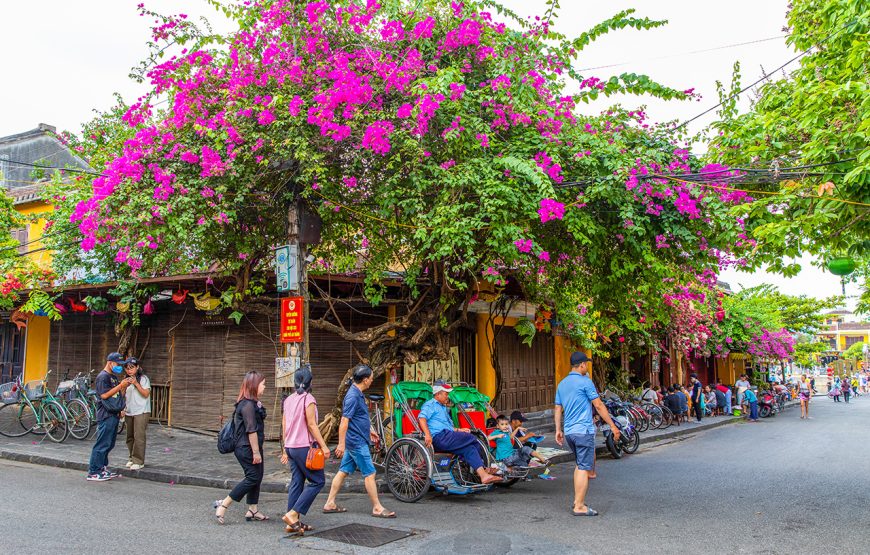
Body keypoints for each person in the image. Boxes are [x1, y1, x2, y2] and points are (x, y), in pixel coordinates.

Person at [322, 364, 396, 517]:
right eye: (370, 378)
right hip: (356, 442)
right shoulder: (353, 396)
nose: (372, 380)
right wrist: (341, 444)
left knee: (343, 471)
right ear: (364, 380)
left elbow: (359, 418)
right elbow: (344, 421)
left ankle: (330, 503)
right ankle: (377, 507)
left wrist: (370, 431)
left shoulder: (358, 393)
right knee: (370, 473)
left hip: (357, 439)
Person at [555, 351, 620, 517]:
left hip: (569, 432)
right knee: (583, 467)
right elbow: (598, 405)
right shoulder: (586, 382)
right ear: (582, 364)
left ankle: (578, 500)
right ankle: (579, 506)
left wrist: (558, 430)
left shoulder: (562, 384)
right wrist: (612, 426)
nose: (587, 366)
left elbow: (557, 408)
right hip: (583, 431)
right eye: (586, 364)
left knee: (580, 465)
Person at [417, 382, 502, 486]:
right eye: (446, 394)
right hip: (439, 437)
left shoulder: (443, 407)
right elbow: (422, 418)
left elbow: (448, 426)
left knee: (469, 448)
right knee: (472, 438)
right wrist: (428, 435)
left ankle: (483, 475)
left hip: (448, 435)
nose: (447, 397)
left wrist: (459, 430)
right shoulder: (430, 404)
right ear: (438, 394)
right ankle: (484, 468)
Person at [281, 365, 329, 536]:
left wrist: (285, 447)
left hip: (291, 446)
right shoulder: (308, 399)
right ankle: (293, 514)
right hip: (303, 447)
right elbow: (311, 425)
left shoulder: (288, 400)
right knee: (318, 481)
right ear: (310, 383)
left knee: (297, 481)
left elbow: (285, 424)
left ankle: (292, 522)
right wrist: (323, 446)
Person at [214, 371, 269, 524]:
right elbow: (251, 430)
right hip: (246, 448)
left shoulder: (252, 403)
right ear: (254, 386)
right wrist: (256, 452)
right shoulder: (247, 405)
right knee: (253, 477)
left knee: (257, 476)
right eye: (263, 384)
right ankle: (223, 504)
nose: (264, 387)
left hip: (253, 446)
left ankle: (253, 509)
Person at [87, 352, 135, 481]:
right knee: (102, 444)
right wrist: (121, 385)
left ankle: (102, 467)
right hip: (105, 415)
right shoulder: (103, 377)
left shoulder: (112, 377)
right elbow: (104, 395)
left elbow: (117, 395)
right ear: (110, 363)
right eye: (118, 364)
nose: (120, 366)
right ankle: (94, 471)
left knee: (109, 443)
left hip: (113, 413)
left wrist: (123, 392)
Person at [123, 357, 151, 471]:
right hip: (129, 411)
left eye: (132, 368)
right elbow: (122, 395)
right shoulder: (125, 379)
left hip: (142, 411)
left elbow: (145, 394)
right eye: (127, 368)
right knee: (129, 436)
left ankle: (139, 461)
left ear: (137, 367)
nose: (129, 370)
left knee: (139, 436)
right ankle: (132, 458)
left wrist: (136, 383)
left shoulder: (144, 379)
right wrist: (123, 386)